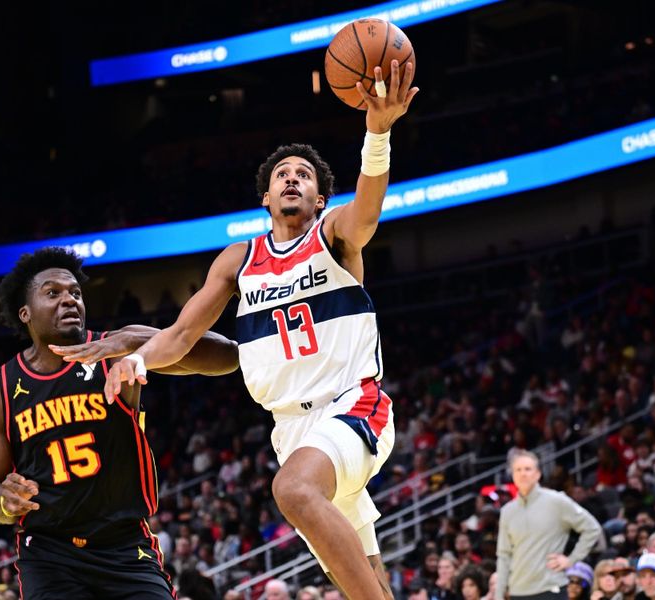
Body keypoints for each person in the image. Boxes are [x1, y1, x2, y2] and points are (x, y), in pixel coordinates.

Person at [87, 59, 418, 600]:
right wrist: (137, 359)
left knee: (292, 491)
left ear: (318, 199)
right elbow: (181, 335)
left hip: (352, 407)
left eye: (304, 175)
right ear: (265, 197)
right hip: (291, 430)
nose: (292, 177)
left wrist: (376, 133)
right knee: (358, 575)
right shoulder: (239, 260)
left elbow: (367, 211)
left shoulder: (333, 236)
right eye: (281, 174)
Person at [0, 247, 239, 599]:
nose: (69, 300)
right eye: (53, 293)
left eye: (75, 293)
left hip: (125, 545)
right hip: (50, 553)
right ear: (25, 313)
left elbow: (226, 357)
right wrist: (6, 502)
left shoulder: (116, 347)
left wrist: (136, 342)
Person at [496, 449, 603, 600]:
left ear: (538, 473)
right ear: (512, 475)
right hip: (518, 591)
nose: (523, 473)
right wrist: (499, 595)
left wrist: (571, 560)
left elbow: (592, 528)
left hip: (551, 587)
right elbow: (504, 556)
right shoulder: (507, 511)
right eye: (518, 470)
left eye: (528, 469)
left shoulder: (556, 501)